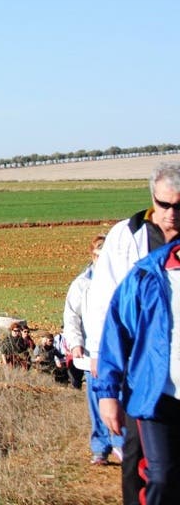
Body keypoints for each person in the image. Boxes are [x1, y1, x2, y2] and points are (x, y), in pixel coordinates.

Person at [87, 162, 180, 505]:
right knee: (138, 456)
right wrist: (100, 358)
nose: (172, 213)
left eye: (179, 206)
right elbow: (106, 300)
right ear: (152, 199)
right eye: (165, 204)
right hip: (137, 362)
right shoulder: (127, 235)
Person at [64, 235, 122, 465]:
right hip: (91, 352)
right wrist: (75, 342)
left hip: (117, 350)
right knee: (97, 399)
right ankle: (100, 447)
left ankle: (121, 443)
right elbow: (71, 316)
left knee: (119, 397)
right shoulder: (82, 284)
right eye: (99, 254)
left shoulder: (121, 279)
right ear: (93, 255)